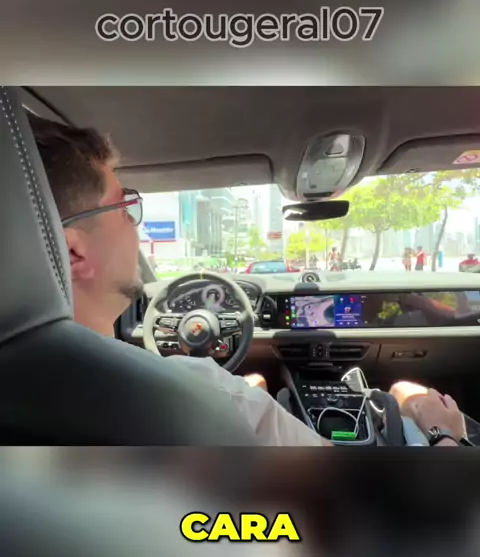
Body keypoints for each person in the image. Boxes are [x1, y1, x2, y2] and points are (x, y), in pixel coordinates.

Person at [30, 115, 466, 448]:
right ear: (74, 252)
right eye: (124, 208)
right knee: (403, 394)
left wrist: (247, 396)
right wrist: (443, 434)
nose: (135, 226)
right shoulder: (206, 390)